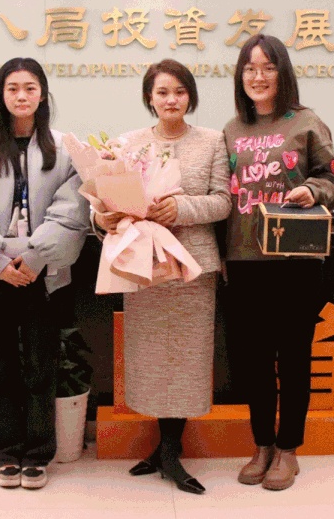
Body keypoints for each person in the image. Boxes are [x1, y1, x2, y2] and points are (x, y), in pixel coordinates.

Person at [0, 57, 89, 490]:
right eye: (12, 88)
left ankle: (39, 454)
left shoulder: (66, 150)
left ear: (42, 94)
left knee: (41, 368)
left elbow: (73, 211)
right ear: (1, 96)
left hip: (44, 276)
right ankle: (7, 453)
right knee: (0, 368)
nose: (22, 96)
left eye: (30, 88)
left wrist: (35, 260)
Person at [93, 59, 230, 495]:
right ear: (149, 98)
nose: (172, 100)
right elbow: (103, 200)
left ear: (191, 96)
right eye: (163, 92)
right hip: (144, 267)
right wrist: (102, 217)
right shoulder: (128, 143)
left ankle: (170, 451)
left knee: (187, 361)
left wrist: (181, 208)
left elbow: (224, 201)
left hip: (192, 268)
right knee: (151, 359)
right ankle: (163, 447)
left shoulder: (212, 141)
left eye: (180, 92)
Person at [222, 34, 334, 491]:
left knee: (293, 357)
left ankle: (289, 449)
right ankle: (262, 445)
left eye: (268, 67)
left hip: (295, 258)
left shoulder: (306, 122)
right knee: (253, 361)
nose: (258, 76)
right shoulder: (231, 130)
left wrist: (312, 191)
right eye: (249, 68)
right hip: (244, 259)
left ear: (283, 73)